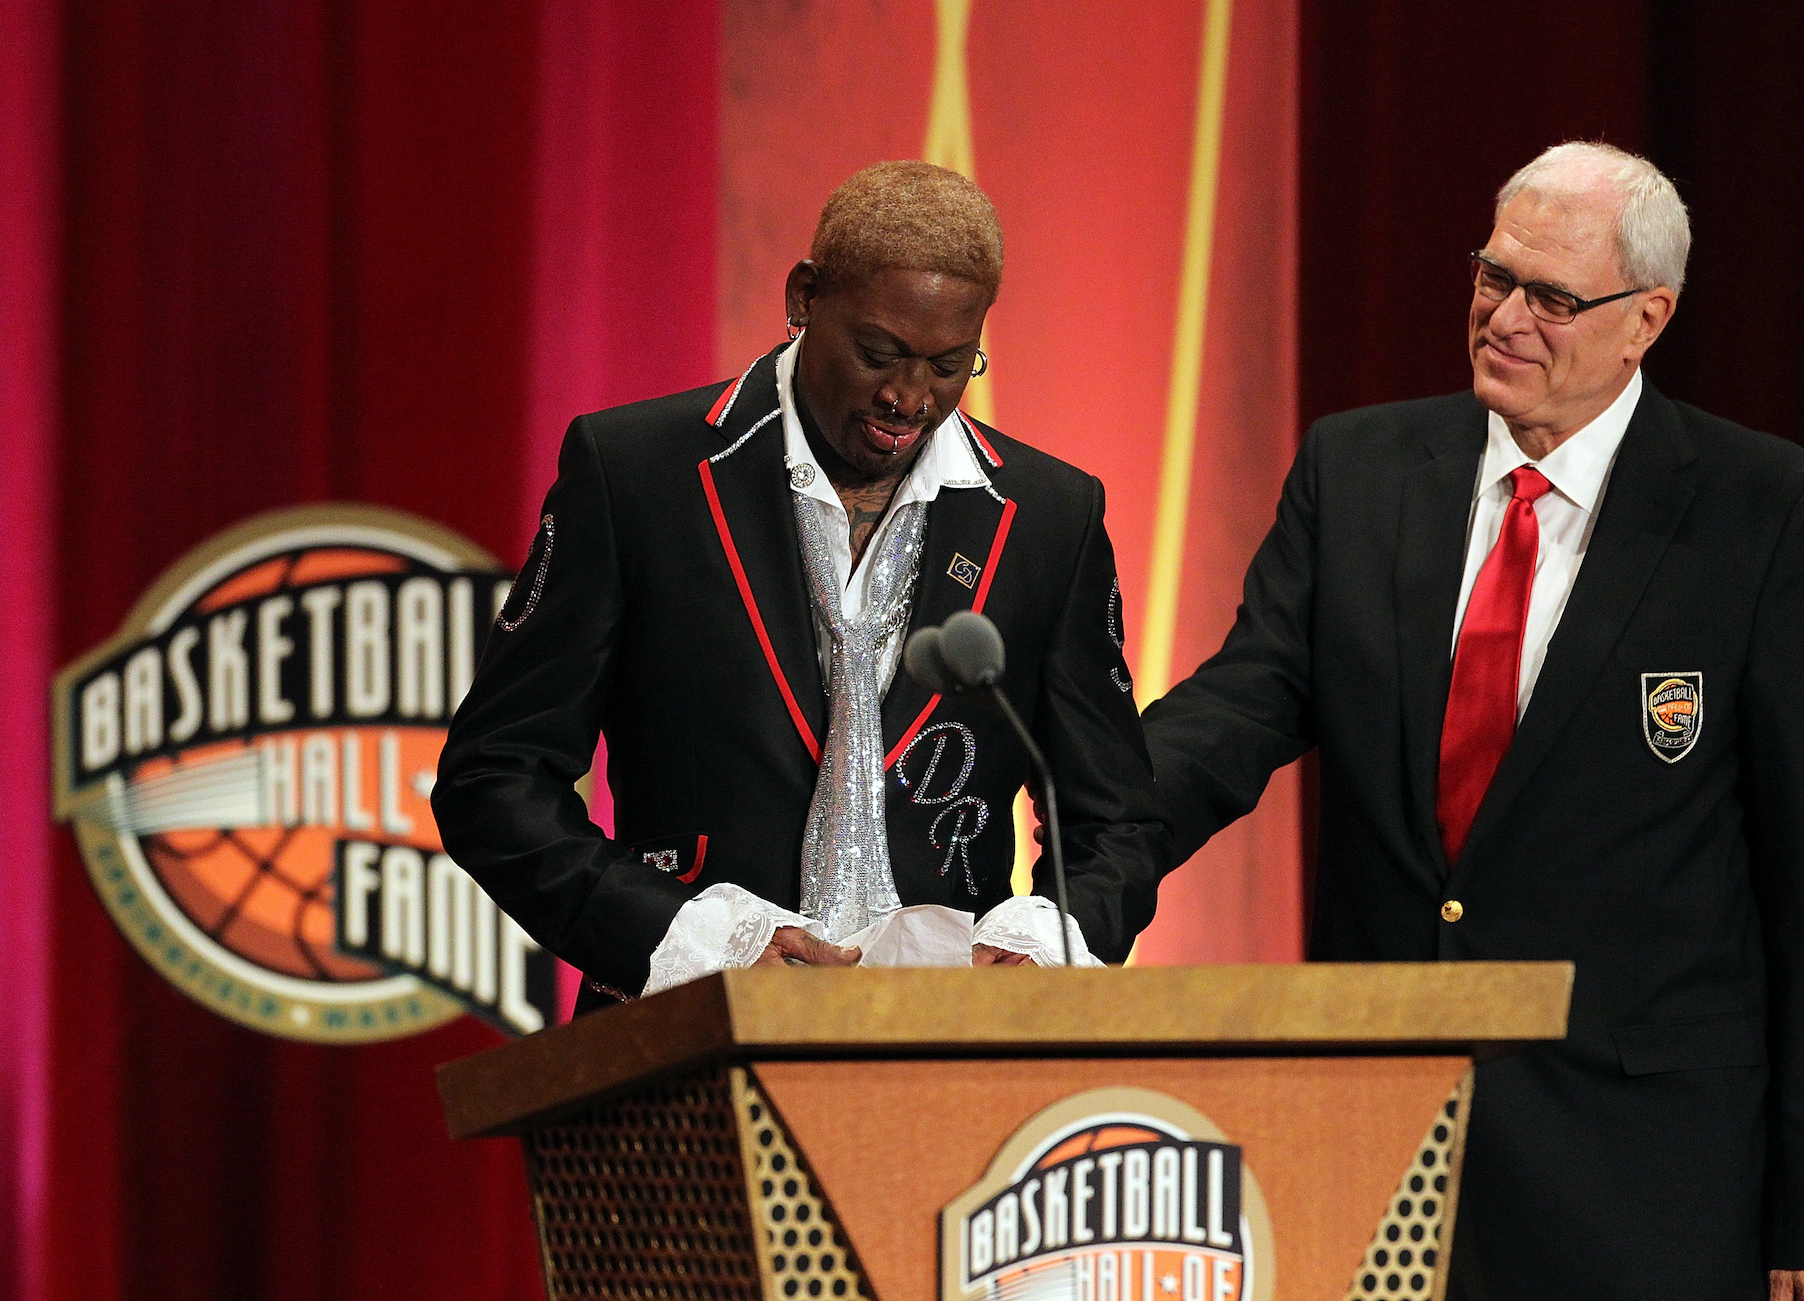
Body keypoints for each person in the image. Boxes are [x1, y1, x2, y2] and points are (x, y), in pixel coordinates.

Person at [1143, 141, 1804, 1299]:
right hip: (1379, 1154)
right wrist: (1084, 816)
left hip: (1641, 1178)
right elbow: (1240, 704)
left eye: (1549, 297)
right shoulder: (1356, 468)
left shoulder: (1760, 508)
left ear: (1645, 317)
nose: (1502, 316)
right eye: (1491, 277)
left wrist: (1797, 1202)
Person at [434, 160, 1165, 1010]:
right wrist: (690, 942)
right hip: (683, 1045)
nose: (908, 397)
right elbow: (495, 778)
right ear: (803, 298)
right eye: (879, 353)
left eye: (949, 364)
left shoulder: (1048, 516)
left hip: (955, 1064)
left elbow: (1117, 820)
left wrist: (1044, 943)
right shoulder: (637, 475)